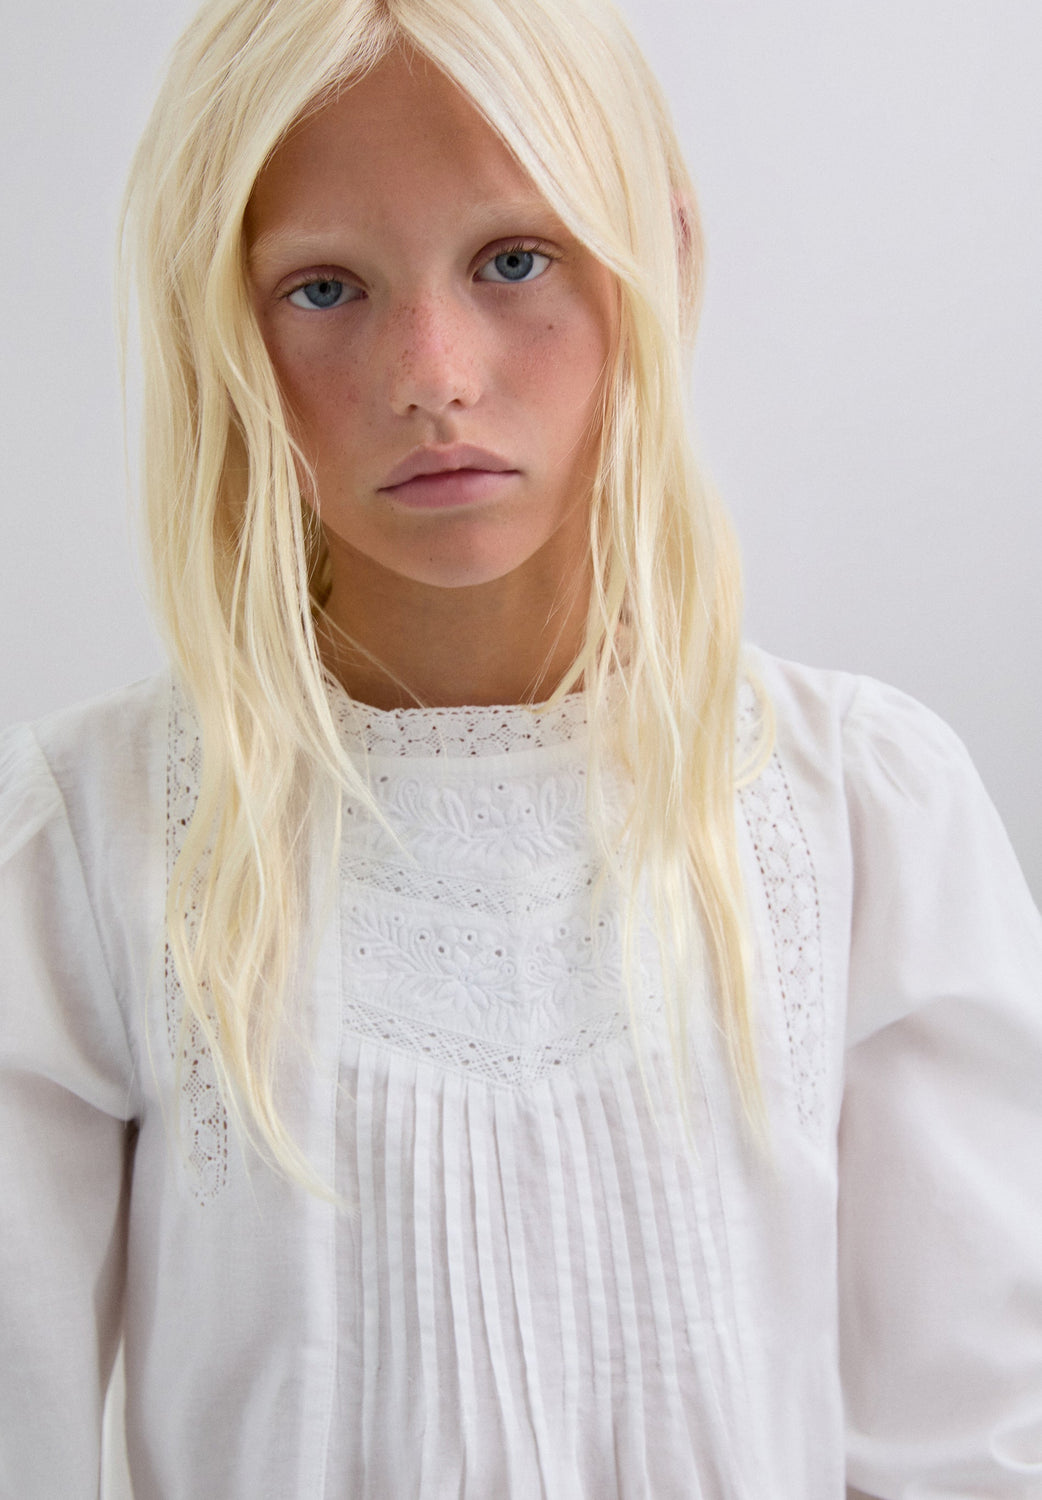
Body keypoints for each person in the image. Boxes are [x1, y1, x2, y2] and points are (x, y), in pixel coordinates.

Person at [1, 0, 1039, 1494]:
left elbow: (975, 1445)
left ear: (660, 253)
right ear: (215, 320)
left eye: (512, 260)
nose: (431, 372)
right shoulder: (85, 847)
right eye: (323, 287)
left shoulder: (866, 814)